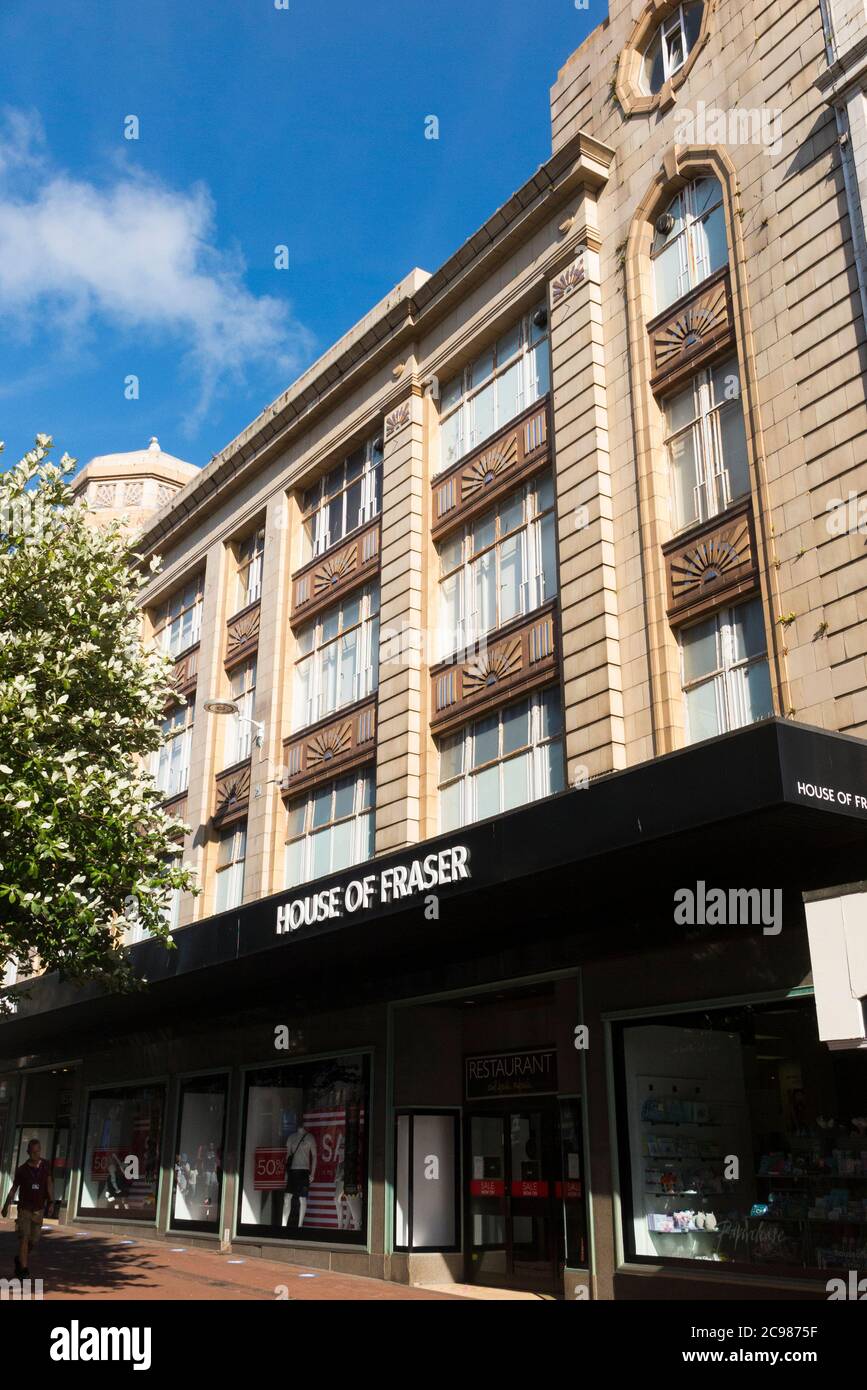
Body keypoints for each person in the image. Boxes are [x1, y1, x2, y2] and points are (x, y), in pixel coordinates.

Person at [1, 1138, 53, 1279]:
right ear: (28, 1152)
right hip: (24, 1208)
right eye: (33, 1152)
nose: (36, 1155)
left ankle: (19, 1259)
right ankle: (23, 1269)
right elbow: (14, 1189)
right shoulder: (22, 1170)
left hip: (38, 1208)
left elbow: (49, 1183)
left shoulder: (46, 1165)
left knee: (34, 1239)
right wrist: (5, 1206)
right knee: (24, 1237)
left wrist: (51, 1202)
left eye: (38, 1151)